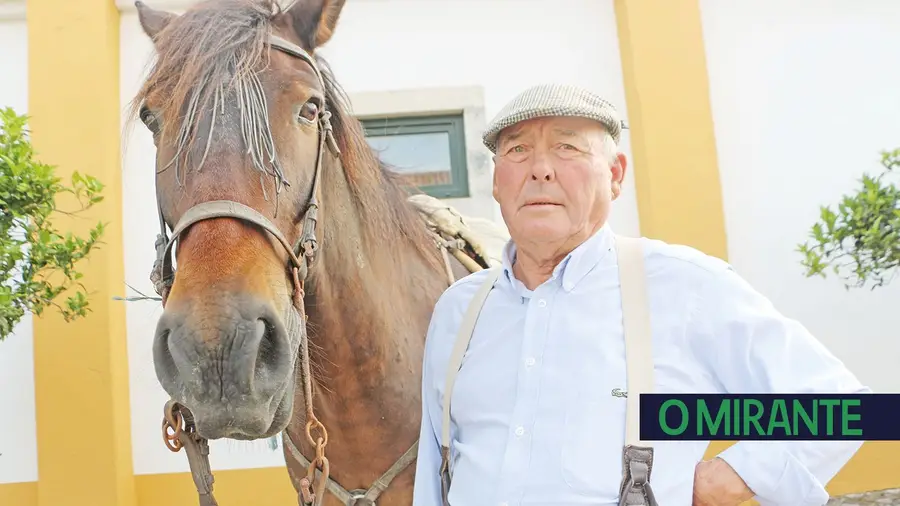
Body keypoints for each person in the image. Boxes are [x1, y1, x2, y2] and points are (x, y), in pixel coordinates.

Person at [410, 83, 869, 506]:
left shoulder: (684, 286)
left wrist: (730, 476)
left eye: (567, 147)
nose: (540, 169)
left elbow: (844, 407)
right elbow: (434, 475)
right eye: (518, 150)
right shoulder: (460, 309)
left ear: (615, 174)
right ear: (496, 182)